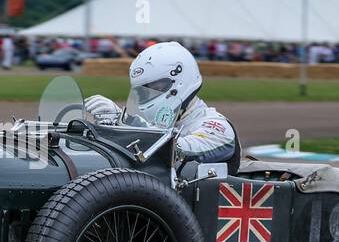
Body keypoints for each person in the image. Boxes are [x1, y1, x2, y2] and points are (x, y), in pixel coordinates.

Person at [83, 41, 240, 172]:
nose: (147, 95)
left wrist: (121, 119)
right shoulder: (162, 124)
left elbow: (177, 152)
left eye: (154, 87)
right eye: (143, 90)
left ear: (179, 81)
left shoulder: (217, 127)